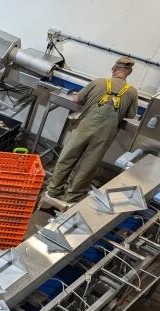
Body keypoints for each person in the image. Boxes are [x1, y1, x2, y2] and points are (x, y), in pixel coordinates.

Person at [44, 56, 139, 208]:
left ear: (113, 69)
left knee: (67, 158)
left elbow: (77, 100)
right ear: (129, 73)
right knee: (88, 166)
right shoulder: (132, 92)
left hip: (84, 128)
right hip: (105, 135)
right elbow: (130, 115)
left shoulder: (99, 82)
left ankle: (53, 191)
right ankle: (71, 197)